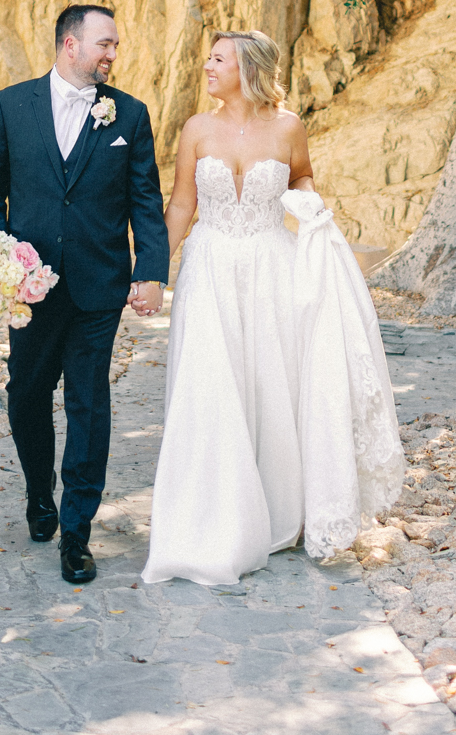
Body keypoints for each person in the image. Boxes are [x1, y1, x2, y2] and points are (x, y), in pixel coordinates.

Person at [142, 29, 403, 587]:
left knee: (270, 383)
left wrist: (307, 202)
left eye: (217, 59)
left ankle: (277, 513)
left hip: (272, 266)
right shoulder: (196, 129)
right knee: (210, 384)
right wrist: (154, 271)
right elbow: (183, 202)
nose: (206, 66)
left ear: (248, 67)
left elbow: (302, 173)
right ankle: (209, 520)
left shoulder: (288, 127)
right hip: (209, 267)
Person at [0, 4, 169, 585]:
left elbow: (145, 202)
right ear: (69, 44)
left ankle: (78, 534)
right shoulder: (11, 105)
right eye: (103, 43)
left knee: (88, 403)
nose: (111, 54)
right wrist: (0, 260)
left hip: (97, 288)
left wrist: (149, 269)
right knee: (28, 396)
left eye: (114, 45)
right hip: (28, 291)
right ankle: (39, 495)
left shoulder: (129, 114)